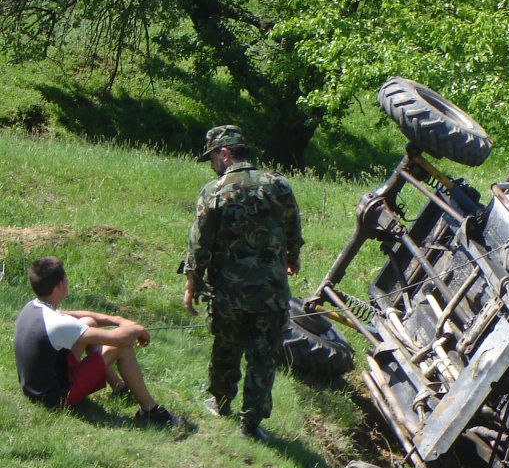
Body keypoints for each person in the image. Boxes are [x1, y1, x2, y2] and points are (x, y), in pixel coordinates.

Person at [183, 125, 304, 441]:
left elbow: (199, 245)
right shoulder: (279, 186)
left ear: (224, 153)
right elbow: (293, 225)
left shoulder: (215, 191)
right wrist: (293, 257)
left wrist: (191, 285)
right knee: (263, 357)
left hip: (230, 293)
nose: (212, 164)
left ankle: (220, 402)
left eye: (212, 157)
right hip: (272, 293)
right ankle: (251, 423)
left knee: (226, 346)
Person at [13, 256, 181, 426]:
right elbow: (118, 339)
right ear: (59, 285)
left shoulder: (34, 307)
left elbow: (75, 316)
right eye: (66, 278)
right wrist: (138, 329)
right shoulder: (57, 323)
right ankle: (150, 411)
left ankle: (119, 388)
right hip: (56, 398)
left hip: (34, 389)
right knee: (123, 348)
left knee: (88, 322)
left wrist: (115, 319)